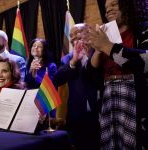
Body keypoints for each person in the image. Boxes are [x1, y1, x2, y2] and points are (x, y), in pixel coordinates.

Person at [84, 0, 147, 149]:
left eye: (114, 4)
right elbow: (90, 74)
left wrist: (107, 46)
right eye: (106, 8)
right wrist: (99, 49)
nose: (108, 10)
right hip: (107, 98)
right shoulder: (105, 35)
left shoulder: (141, 31)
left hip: (135, 98)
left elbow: (144, 62)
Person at [53, 23, 100, 150]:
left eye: (77, 34)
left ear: (88, 33)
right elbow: (57, 80)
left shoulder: (99, 52)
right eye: (71, 36)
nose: (73, 38)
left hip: (99, 113)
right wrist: (73, 62)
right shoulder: (67, 59)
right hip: (77, 117)